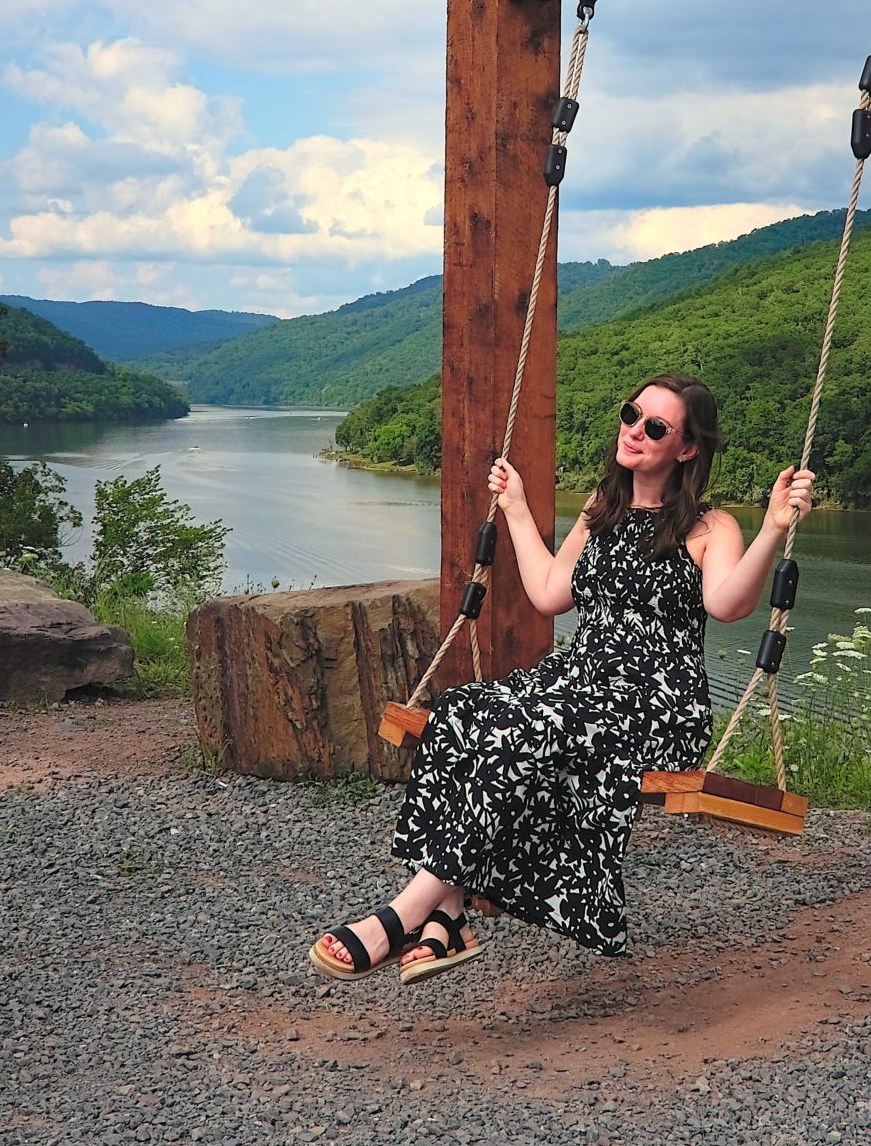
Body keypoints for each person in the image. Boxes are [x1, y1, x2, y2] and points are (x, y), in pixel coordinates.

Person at [309, 374, 814, 983]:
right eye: (632, 415)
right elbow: (550, 592)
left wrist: (774, 529)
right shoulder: (602, 510)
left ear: (686, 448)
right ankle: (448, 915)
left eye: (656, 427)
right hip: (578, 682)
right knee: (463, 709)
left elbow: (728, 604)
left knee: (516, 730)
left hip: (653, 701)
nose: (635, 430)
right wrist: (518, 510)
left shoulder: (709, 527)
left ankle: (405, 912)